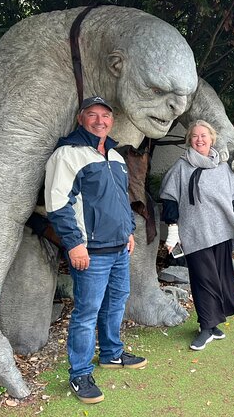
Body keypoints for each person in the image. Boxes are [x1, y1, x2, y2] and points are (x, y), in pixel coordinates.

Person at [45, 96, 147, 404]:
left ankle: (112, 354)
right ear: (81, 118)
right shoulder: (68, 155)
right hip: (90, 251)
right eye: (93, 115)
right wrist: (74, 243)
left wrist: (129, 230)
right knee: (87, 313)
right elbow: (57, 202)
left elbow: (122, 199)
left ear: (112, 121)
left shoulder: (115, 156)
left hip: (119, 248)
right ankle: (79, 373)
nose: (100, 120)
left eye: (105, 115)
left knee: (116, 302)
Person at [159, 119, 234, 351]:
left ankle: (214, 324)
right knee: (203, 279)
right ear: (189, 140)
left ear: (212, 138)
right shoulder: (181, 167)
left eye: (203, 135)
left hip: (222, 231)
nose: (199, 139)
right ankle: (206, 327)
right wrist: (173, 230)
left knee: (220, 278)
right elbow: (169, 199)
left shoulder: (222, 167)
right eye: (195, 136)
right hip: (195, 233)